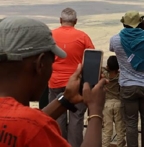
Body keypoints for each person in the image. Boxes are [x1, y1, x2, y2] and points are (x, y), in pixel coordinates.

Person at [0, 16, 106, 147]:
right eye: (52, 63)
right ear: (40, 64)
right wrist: (95, 110)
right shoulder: (32, 128)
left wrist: (66, 99)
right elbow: (32, 126)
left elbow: (23, 123)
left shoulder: (28, 125)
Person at [109, 11, 144, 147]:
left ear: (124, 23)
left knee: (131, 122)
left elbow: (112, 50)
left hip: (127, 86)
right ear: (140, 23)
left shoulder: (115, 39)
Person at [48, 8, 95, 147]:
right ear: (75, 21)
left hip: (55, 83)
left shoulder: (50, 35)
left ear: (60, 20)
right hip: (77, 85)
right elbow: (93, 59)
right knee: (77, 118)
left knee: (58, 117)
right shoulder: (83, 36)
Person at [102, 55, 126, 147]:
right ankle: (120, 145)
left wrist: (106, 68)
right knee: (120, 129)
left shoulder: (105, 75)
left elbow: (100, 68)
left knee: (107, 129)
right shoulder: (120, 76)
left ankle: (105, 145)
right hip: (118, 103)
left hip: (107, 104)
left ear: (108, 66)